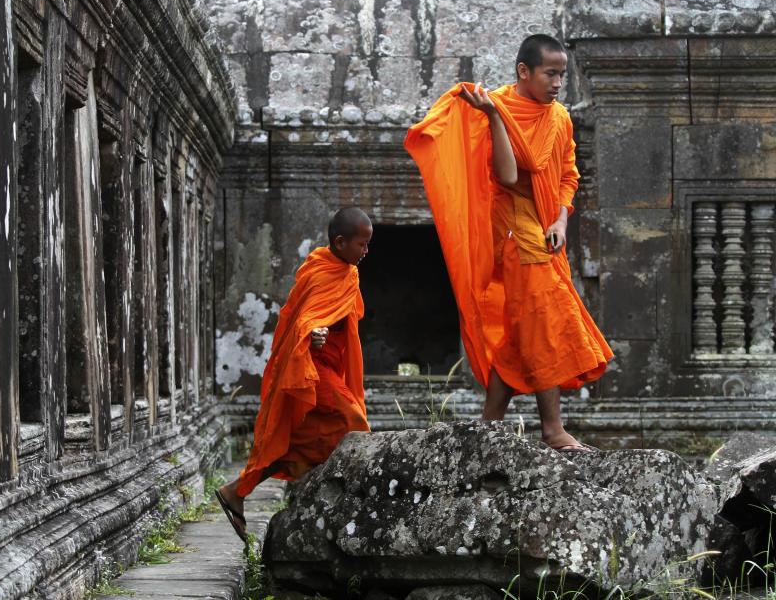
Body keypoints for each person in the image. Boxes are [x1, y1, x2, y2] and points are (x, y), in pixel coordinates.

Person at [404, 34, 613, 451]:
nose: (558, 84)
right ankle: (552, 430)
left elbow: (569, 176)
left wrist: (560, 219)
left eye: (562, 75)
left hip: (545, 234)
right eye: (549, 74)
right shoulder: (495, 107)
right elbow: (507, 176)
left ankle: (488, 427)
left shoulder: (560, 119)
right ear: (524, 72)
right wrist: (496, 117)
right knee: (543, 325)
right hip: (515, 235)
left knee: (521, 332)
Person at [215, 207, 373, 543]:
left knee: (298, 443)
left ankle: (236, 491)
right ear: (340, 242)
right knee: (354, 422)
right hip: (311, 369)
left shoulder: (349, 273)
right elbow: (304, 319)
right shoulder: (318, 271)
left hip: (329, 368)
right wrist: (313, 331)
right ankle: (354, 508)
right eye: (361, 244)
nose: (366, 252)